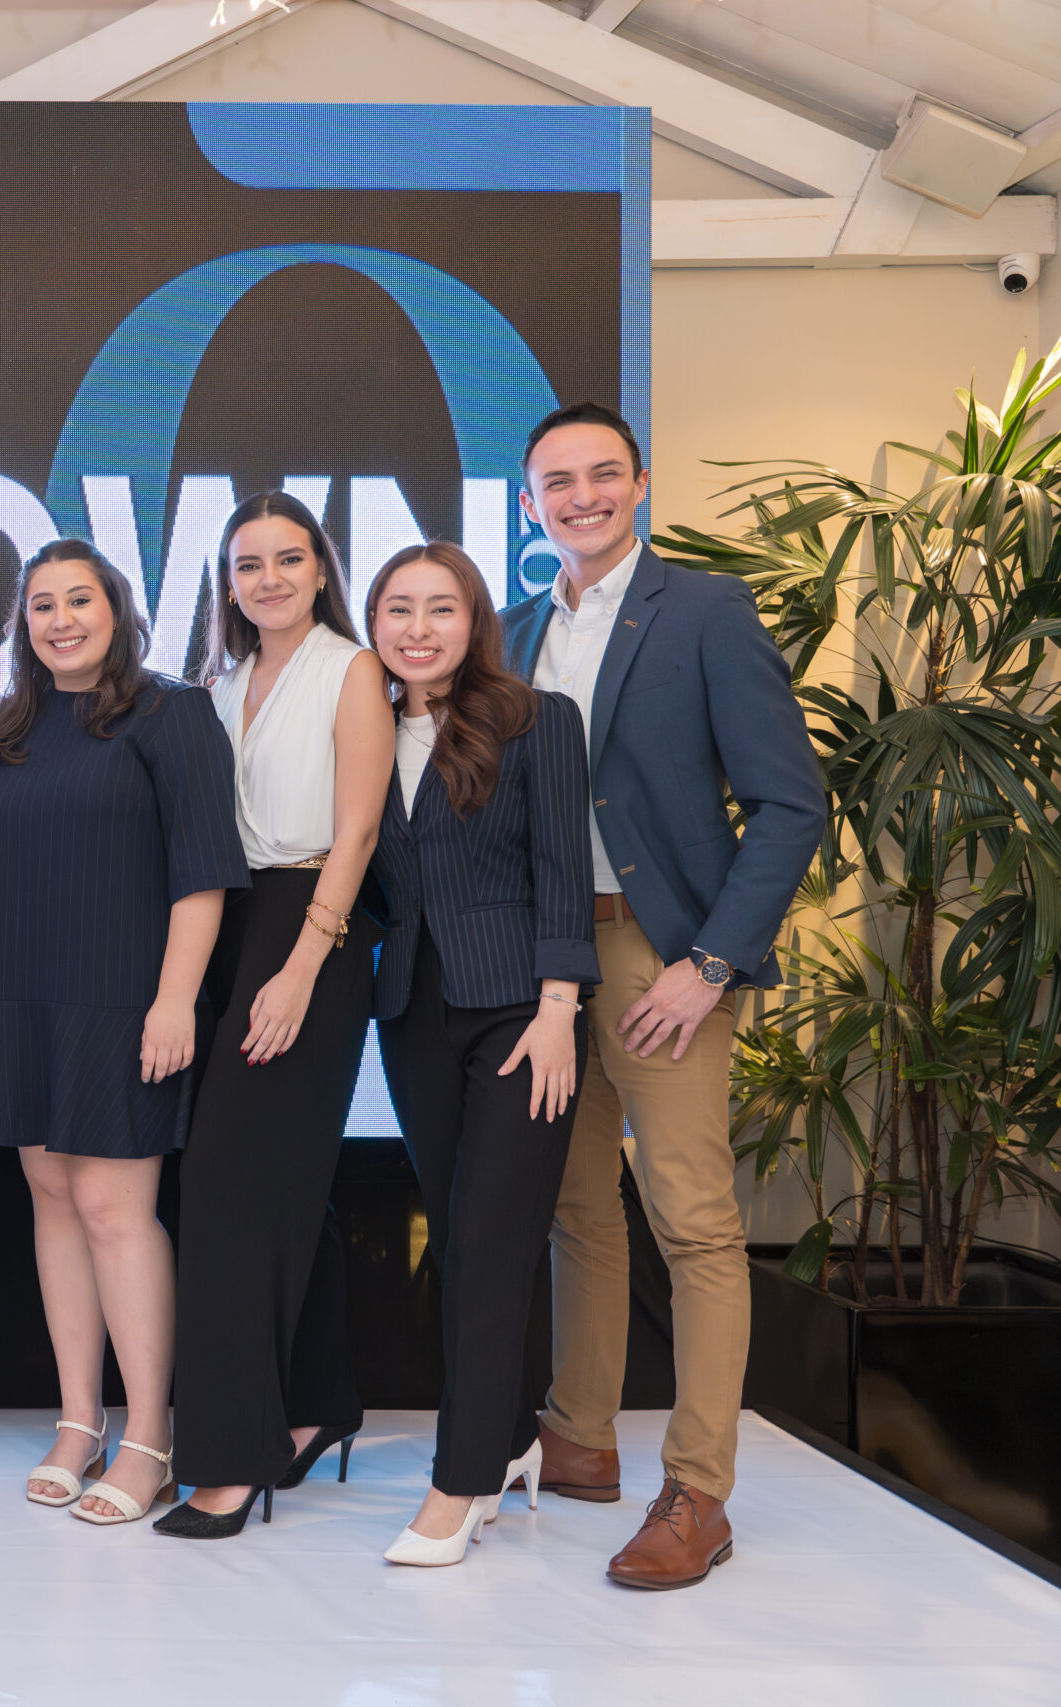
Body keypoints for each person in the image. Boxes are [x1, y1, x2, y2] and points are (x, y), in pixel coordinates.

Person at [504, 403, 821, 1589]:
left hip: (661, 958)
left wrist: (712, 964)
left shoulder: (704, 610)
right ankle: (579, 1437)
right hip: (549, 962)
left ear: (640, 484)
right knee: (576, 1209)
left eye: (603, 474)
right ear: (527, 501)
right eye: (557, 481)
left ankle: (698, 1490)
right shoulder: (514, 631)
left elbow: (789, 803)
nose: (581, 495)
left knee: (693, 1225)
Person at [0, 540, 249, 1526]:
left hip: (126, 998)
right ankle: (78, 1420)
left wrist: (175, 1000)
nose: (61, 620)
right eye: (42, 605)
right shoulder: (11, 726)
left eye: (79, 600)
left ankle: (148, 1437)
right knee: (52, 1198)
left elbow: (202, 871)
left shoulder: (171, 713)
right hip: (20, 996)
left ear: (118, 609)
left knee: (110, 1207)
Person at [157, 493, 392, 1540]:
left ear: (321, 568)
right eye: (247, 564)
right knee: (285, 1186)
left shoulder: (353, 670)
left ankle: (229, 1460)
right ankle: (315, 1402)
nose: (268, 579)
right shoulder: (217, 685)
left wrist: (302, 965)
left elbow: (357, 833)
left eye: (287, 559)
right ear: (228, 582)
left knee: (225, 1194)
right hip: (227, 926)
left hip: (311, 933)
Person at [365, 541, 598, 1566]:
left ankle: (458, 1482)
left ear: (475, 622)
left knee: (492, 1243)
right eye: (398, 609)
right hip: (412, 1010)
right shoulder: (365, 729)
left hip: (519, 1013)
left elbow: (562, 870)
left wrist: (558, 1008)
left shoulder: (540, 721)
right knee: (458, 1234)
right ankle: (507, 1440)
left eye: (440, 608)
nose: (418, 629)